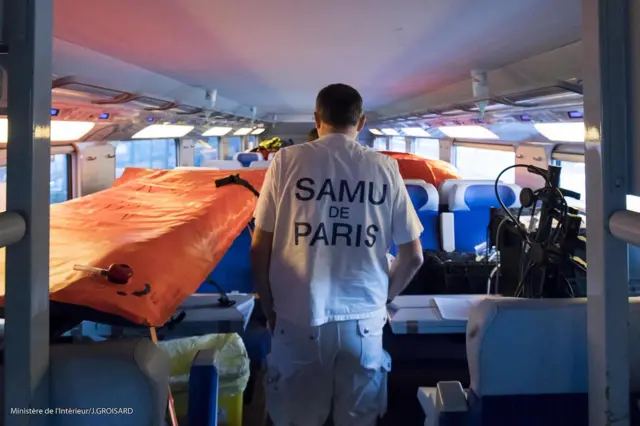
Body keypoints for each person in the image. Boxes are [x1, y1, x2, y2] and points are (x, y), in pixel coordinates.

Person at [249, 83, 424, 426]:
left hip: (298, 316)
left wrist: (270, 307)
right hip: (364, 322)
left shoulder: (285, 161)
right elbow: (413, 256)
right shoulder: (386, 168)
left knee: (297, 419)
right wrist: (380, 299)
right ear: (361, 121)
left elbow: (260, 249)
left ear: (317, 119)